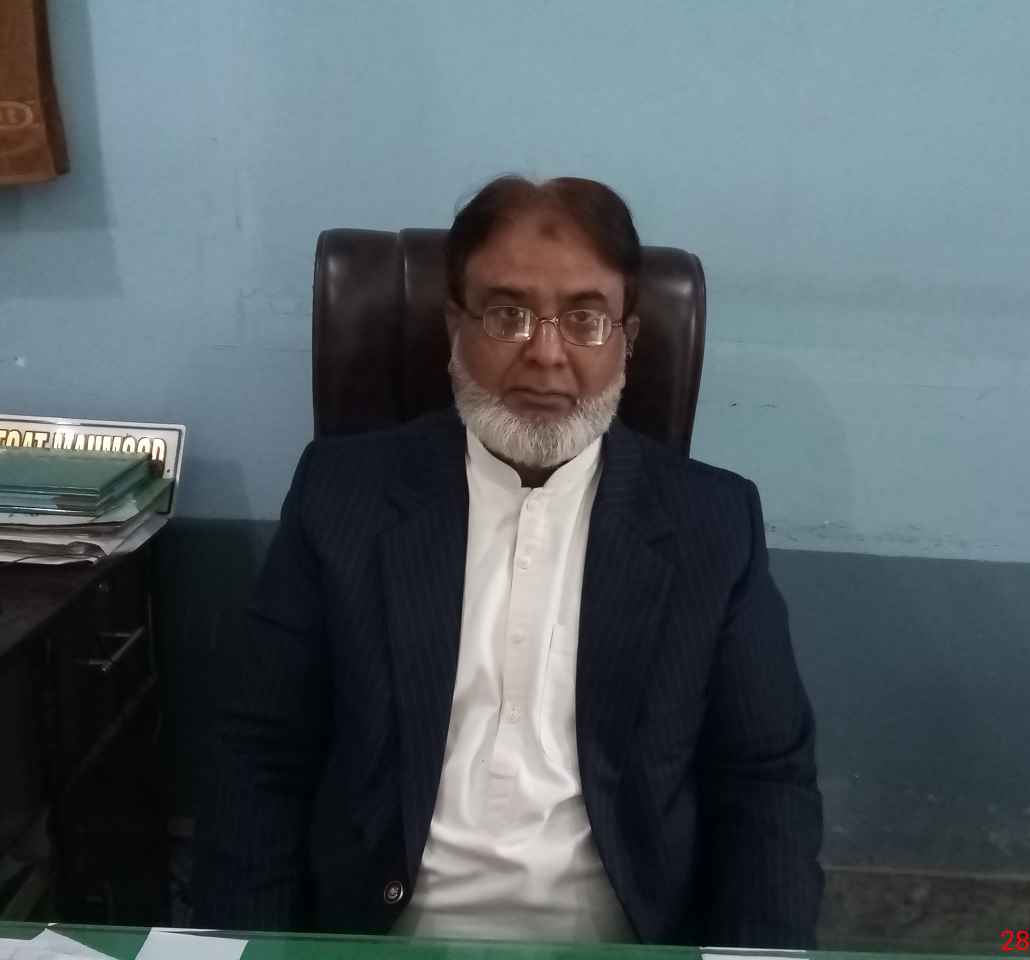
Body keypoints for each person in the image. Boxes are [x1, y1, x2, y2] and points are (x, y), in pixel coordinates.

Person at [193, 176, 823, 947]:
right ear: (454, 325)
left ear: (628, 339)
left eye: (585, 318)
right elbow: (257, 754)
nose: (546, 355)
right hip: (381, 939)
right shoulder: (342, 498)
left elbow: (764, 782)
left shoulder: (711, 525)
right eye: (506, 314)